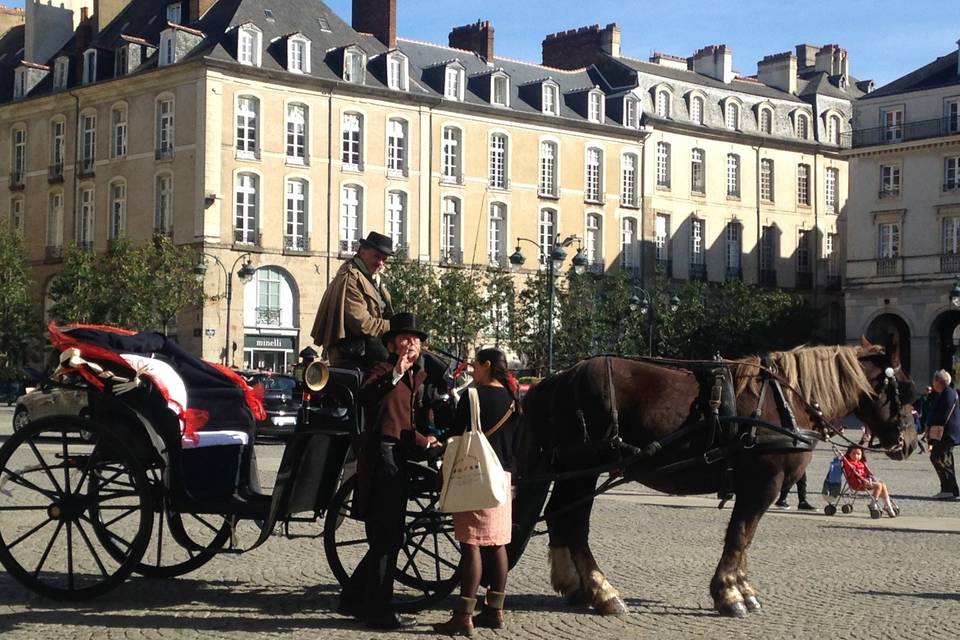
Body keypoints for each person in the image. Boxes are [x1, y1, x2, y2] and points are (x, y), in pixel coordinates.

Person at [337, 313, 439, 630]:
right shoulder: (383, 370)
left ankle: (353, 597)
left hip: (397, 455)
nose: (412, 344)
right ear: (392, 344)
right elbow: (367, 397)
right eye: (406, 339)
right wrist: (396, 370)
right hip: (382, 458)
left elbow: (406, 426)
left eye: (416, 339)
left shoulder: (416, 380)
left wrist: (428, 440)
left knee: (389, 536)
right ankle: (377, 609)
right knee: (387, 536)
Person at [434, 348, 521, 637]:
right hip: (503, 478)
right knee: (497, 544)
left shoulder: (473, 397)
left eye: (475, 364)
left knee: (471, 544)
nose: (472, 369)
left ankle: (463, 615)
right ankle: (495, 609)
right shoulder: (513, 400)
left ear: (486, 366)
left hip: (475, 477)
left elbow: (455, 437)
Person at [310, 231, 395, 367]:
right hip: (354, 355)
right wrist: (395, 325)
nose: (380, 263)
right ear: (362, 252)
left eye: (384, 259)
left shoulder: (372, 279)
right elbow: (362, 324)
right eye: (377, 256)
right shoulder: (351, 279)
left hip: (369, 349)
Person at [927, 369, 960, 500]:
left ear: (938, 381)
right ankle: (951, 489)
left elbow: (943, 414)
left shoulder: (947, 393)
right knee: (945, 458)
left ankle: (948, 489)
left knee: (938, 457)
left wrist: (931, 428)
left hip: (947, 433)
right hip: (949, 432)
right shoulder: (948, 393)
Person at [842, 445, 897, 517]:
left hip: (865, 481)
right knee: (878, 485)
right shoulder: (849, 463)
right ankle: (873, 504)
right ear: (849, 454)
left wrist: (872, 478)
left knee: (882, 484)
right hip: (857, 482)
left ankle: (887, 505)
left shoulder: (861, 463)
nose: (856, 456)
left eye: (858, 454)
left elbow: (868, 473)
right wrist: (864, 479)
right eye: (854, 453)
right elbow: (855, 474)